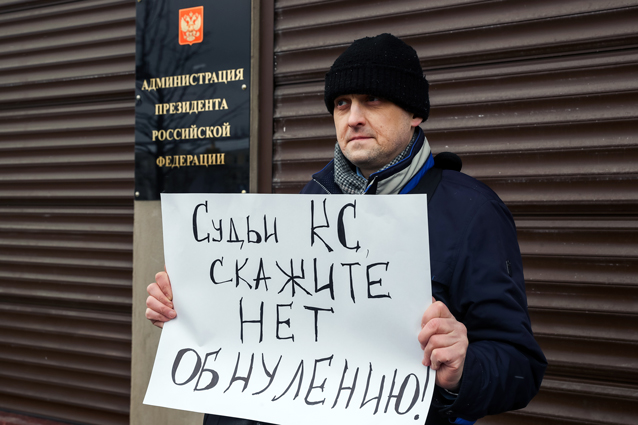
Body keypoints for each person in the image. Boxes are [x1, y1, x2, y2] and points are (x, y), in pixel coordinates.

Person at [146, 33, 547, 425]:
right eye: (342, 104)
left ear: (414, 113)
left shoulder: (472, 212)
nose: (353, 118)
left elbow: (519, 367)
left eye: (372, 99)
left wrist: (463, 367)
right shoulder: (308, 203)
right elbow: (264, 325)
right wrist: (193, 309)